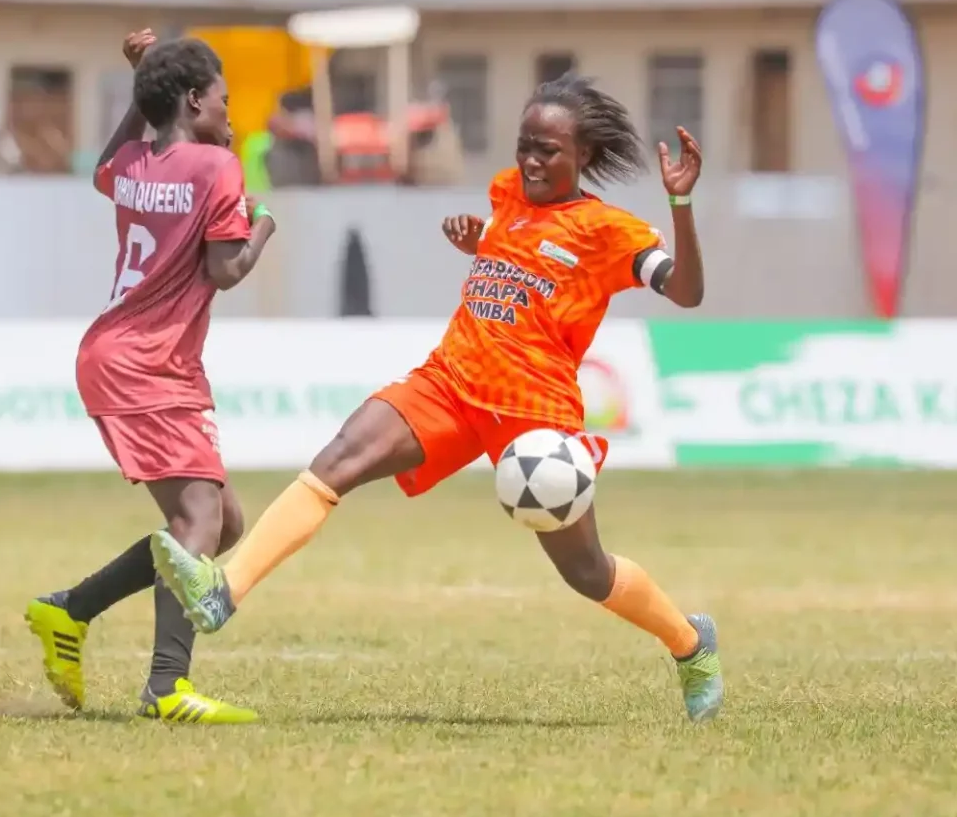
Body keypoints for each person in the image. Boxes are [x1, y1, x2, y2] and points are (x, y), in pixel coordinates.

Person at [151, 73, 725, 723]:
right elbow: (528, 255)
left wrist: (680, 206)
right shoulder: (508, 195)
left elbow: (686, 292)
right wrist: (481, 241)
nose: (531, 161)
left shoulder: (605, 230)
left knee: (587, 571)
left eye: (548, 150)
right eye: (524, 146)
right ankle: (223, 591)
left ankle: (688, 640)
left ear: (583, 156)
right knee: (338, 457)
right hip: (449, 382)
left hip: (533, 418)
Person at [24, 30, 277, 724]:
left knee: (219, 522)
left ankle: (68, 612)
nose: (231, 113)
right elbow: (226, 270)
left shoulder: (137, 157)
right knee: (198, 519)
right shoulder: (216, 166)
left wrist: (145, 95)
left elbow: (107, 165)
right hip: (151, 363)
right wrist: (263, 226)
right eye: (223, 99)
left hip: (127, 353)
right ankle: (167, 686)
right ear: (194, 100)